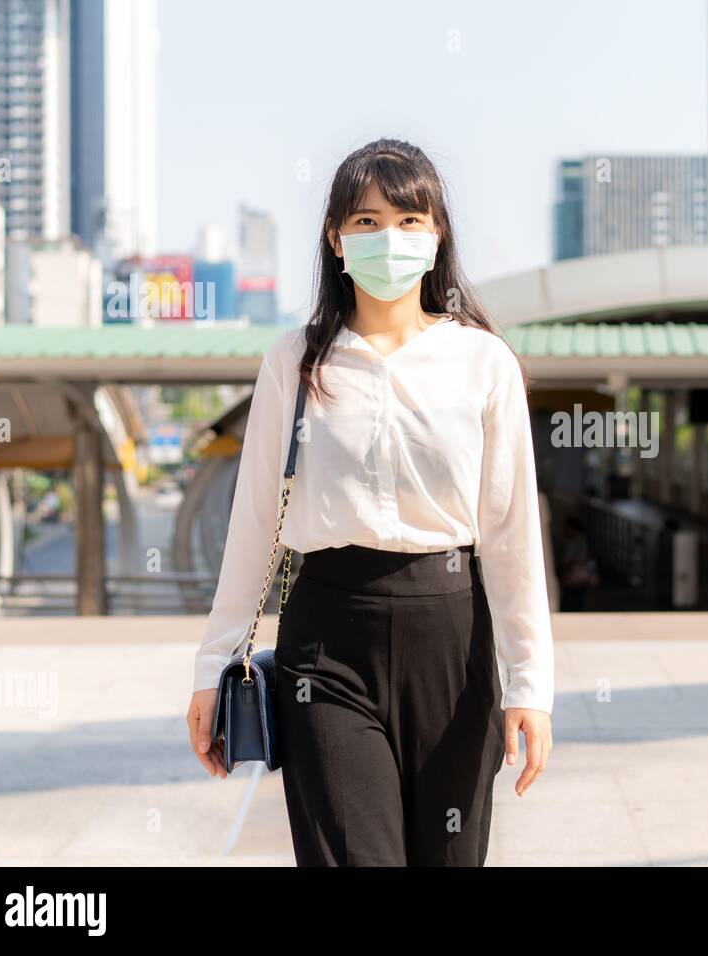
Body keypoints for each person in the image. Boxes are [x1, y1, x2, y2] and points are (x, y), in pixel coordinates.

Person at [184, 138, 554, 866]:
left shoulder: (483, 362)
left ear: (438, 234)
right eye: (366, 220)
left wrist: (531, 685)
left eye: (411, 220)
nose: (391, 238)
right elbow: (256, 521)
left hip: (453, 637)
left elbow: (511, 537)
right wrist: (211, 666)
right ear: (335, 238)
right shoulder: (294, 362)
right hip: (326, 641)